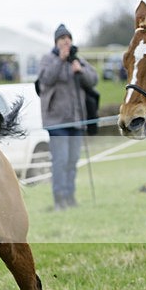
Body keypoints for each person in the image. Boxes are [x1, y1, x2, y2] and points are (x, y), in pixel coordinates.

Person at [37, 24, 98, 211]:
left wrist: (80, 70)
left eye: (68, 38)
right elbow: (45, 80)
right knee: (60, 161)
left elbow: (93, 79)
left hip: (77, 119)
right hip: (56, 120)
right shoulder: (48, 59)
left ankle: (71, 196)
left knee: (72, 161)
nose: (66, 41)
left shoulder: (77, 59)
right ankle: (59, 199)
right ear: (56, 42)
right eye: (62, 38)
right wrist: (60, 61)